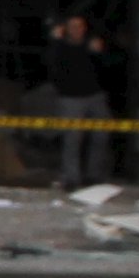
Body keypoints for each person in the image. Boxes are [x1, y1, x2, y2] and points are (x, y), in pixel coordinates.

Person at [48, 12, 115, 188]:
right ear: (66, 29)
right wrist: (55, 42)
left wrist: (100, 52)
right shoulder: (60, 47)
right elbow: (50, 66)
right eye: (72, 27)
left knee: (101, 136)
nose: (77, 30)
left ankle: (94, 175)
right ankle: (71, 178)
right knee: (72, 139)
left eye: (80, 26)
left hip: (95, 96)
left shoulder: (91, 46)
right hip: (70, 98)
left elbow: (110, 67)